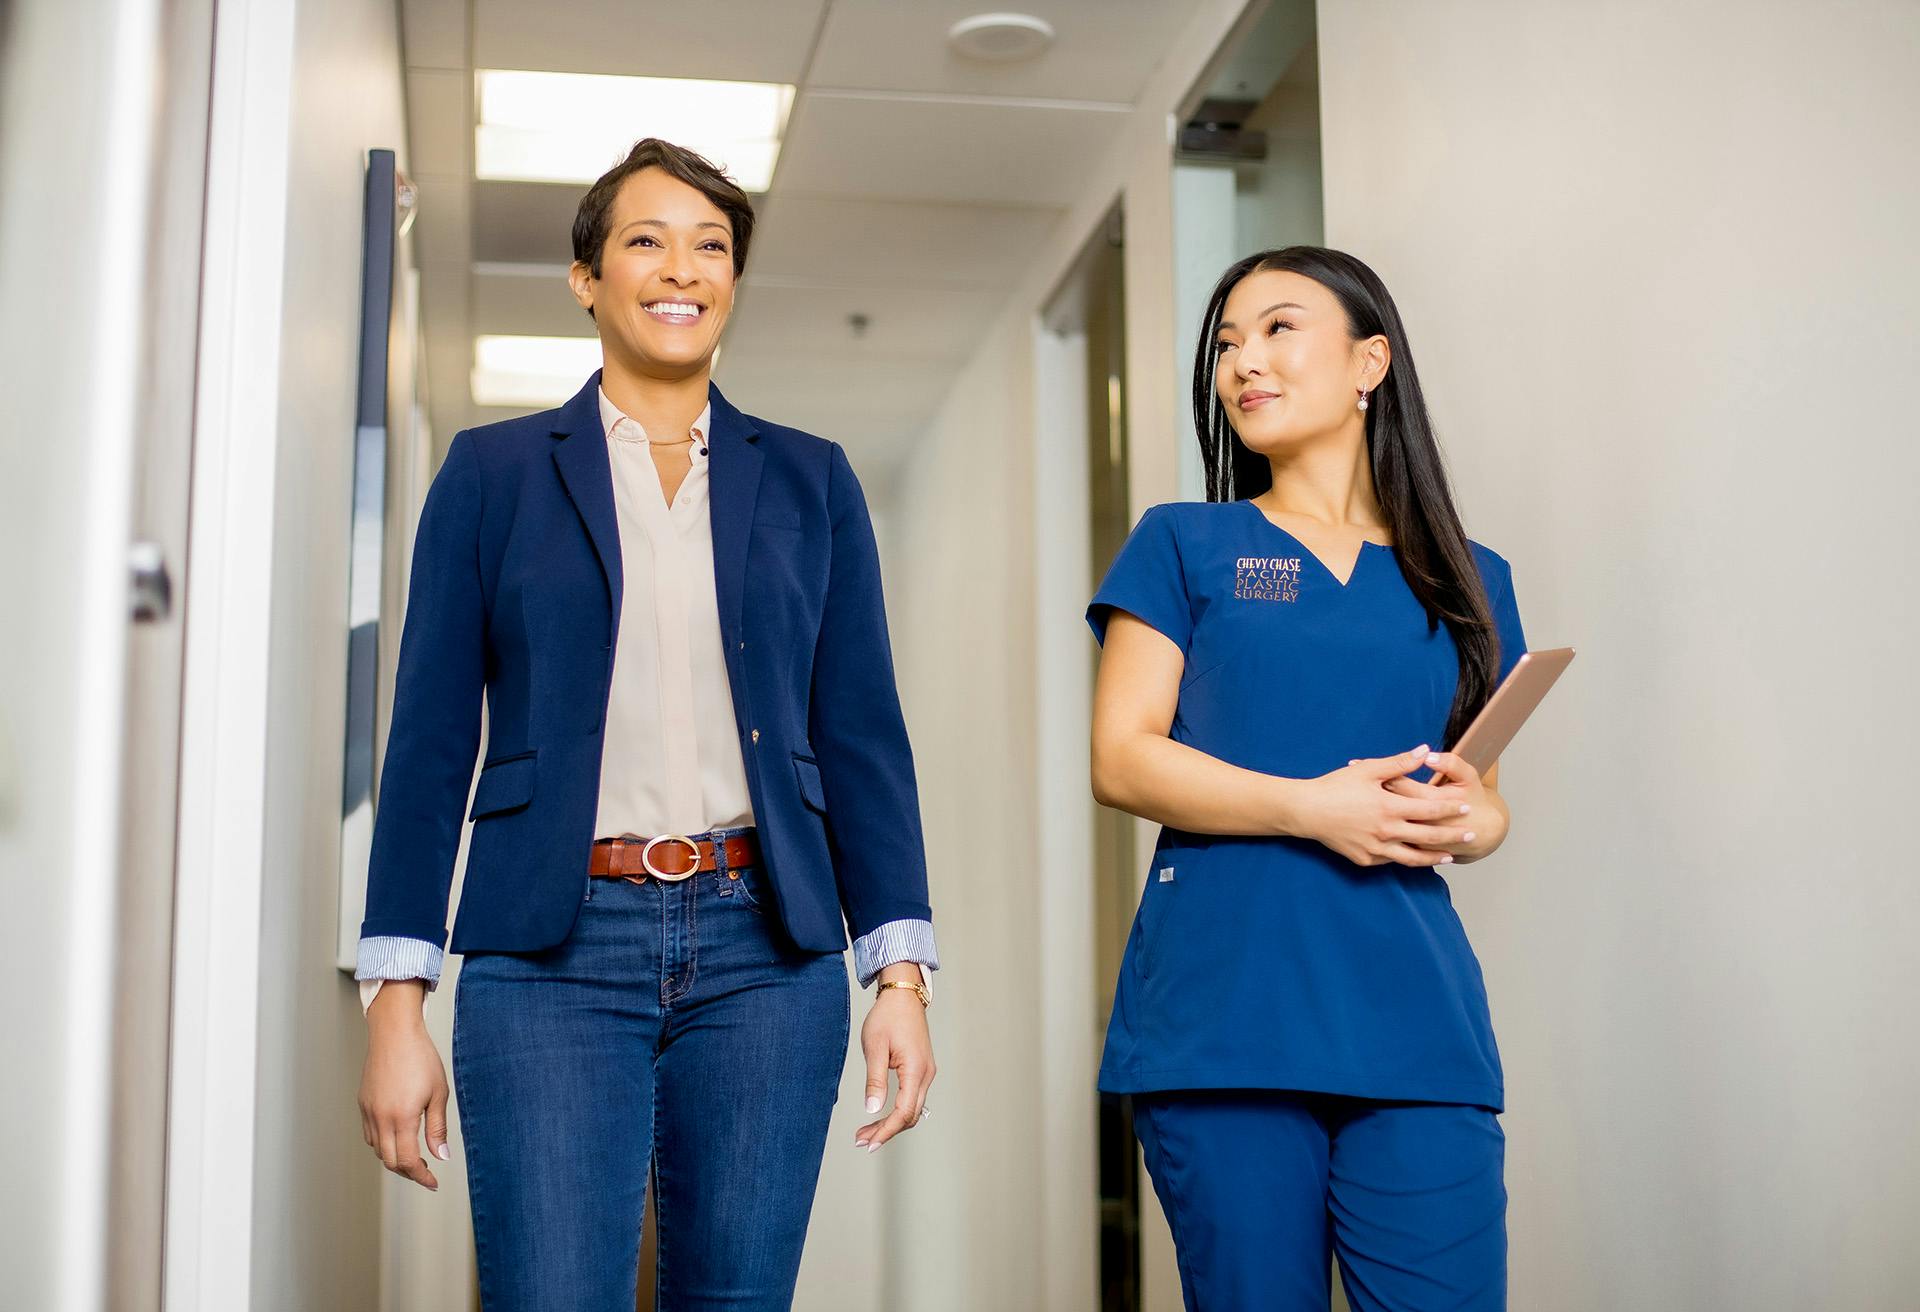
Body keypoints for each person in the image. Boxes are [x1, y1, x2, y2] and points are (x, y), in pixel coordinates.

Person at [354, 138, 938, 1311]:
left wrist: (902, 977)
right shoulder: (493, 473)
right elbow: (425, 747)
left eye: (713, 245)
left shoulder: (812, 481)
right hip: (548, 951)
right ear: (587, 278)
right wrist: (396, 1002)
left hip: (765, 954)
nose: (684, 268)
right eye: (647, 240)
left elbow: (862, 734)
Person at [1088, 246, 1528, 1311]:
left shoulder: (1471, 578)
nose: (1246, 360)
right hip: (1226, 1020)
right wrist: (1310, 807)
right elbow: (1123, 755)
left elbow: (1488, 801)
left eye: (1279, 328)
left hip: (1415, 1023)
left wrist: (1472, 820)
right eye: (1228, 343)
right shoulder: (1191, 545)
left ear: (1370, 360)